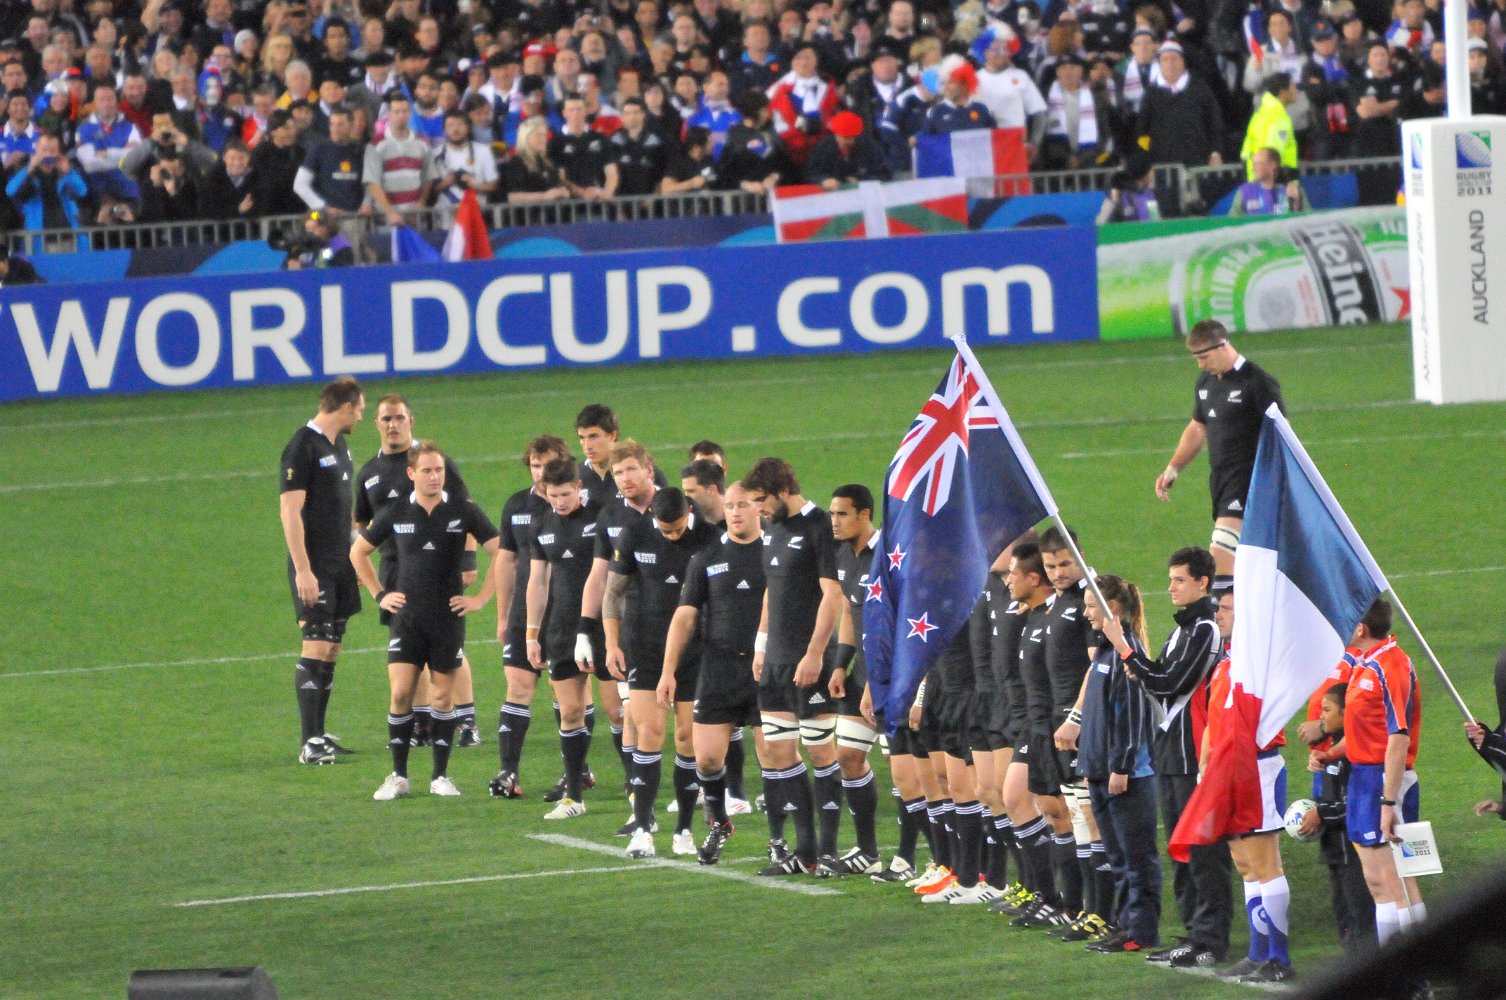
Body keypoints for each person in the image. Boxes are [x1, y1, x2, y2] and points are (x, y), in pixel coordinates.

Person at [352, 442, 501, 799]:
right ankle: (398, 776)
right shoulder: (396, 511)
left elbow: (502, 552)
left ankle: (440, 777)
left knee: (443, 696)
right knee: (400, 692)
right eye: (427, 470)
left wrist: (481, 598)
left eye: (439, 470)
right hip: (407, 618)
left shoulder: (463, 510)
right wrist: (379, 595)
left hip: (447, 619)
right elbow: (358, 551)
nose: (435, 477)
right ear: (412, 473)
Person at [1117, 546, 1230, 967]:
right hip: (1170, 751)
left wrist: (1127, 652)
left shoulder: (1205, 629)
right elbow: (1159, 677)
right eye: (1170, 580)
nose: (1171, 588)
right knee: (1181, 850)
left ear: (1203, 582)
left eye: (1180, 580)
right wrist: (1140, 668)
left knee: (1203, 851)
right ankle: (1193, 933)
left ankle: (1211, 939)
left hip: (1194, 754)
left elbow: (1169, 683)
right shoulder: (1182, 630)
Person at [354, 395, 481, 748]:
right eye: (386, 419)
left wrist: (468, 559)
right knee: (411, 648)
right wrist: (364, 564)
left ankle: (466, 720)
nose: (393, 424)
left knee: (448, 645)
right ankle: (422, 723)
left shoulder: (433, 462)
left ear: (411, 421)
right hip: (395, 569)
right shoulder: (369, 473)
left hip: (439, 565)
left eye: (399, 417)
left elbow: (466, 509)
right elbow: (361, 522)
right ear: (376, 424)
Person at [607, 486, 719, 858]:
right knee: (649, 733)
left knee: (687, 738)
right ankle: (642, 828)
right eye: (664, 529)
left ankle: (684, 829)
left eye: (677, 528)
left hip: (694, 650)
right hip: (644, 646)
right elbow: (613, 592)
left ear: (689, 512)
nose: (671, 535)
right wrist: (611, 644)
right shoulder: (634, 534)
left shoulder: (709, 538)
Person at [659, 480, 768, 865]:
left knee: (773, 757)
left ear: (760, 507)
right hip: (718, 669)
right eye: (730, 505)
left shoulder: (776, 553)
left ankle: (779, 840)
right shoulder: (707, 557)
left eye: (743, 504)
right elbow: (684, 617)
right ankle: (719, 822)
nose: (735, 512)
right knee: (705, 759)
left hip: (765, 670)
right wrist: (668, 671)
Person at [746, 457, 844, 875]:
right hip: (776, 659)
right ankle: (805, 852)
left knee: (820, 751)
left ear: (784, 490)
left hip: (810, 658)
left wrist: (816, 653)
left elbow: (833, 594)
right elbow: (772, 591)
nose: (758, 509)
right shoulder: (772, 528)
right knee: (779, 751)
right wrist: (761, 644)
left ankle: (828, 850)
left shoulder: (820, 526)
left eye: (762, 500)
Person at [1200, 587, 1296, 984]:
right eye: (1219, 608)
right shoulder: (1225, 663)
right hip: (1226, 770)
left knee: (1265, 864)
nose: (1218, 614)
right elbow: (1213, 721)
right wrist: (1206, 767)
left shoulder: (1260, 664)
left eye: (1227, 608)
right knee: (1245, 865)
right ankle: (1258, 953)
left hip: (1257, 767)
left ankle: (1280, 958)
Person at [1154, 320, 1286, 588]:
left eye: (1203, 357)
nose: (1200, 364)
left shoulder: (1257, 382)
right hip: (1221, 482)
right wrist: (1173, 468)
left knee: (1219, 559)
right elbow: (1197, 427)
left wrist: (1273, 481)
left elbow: (1283, 435)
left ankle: (1218, 614)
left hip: (1249, 482)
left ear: (1222, 346)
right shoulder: (1205, 383)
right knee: (1247, 565)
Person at [278, 376, 364, 765]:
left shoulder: (339, 445)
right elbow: (290, 511)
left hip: (340, 563)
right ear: (345, 407)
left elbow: (343, 507)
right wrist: (303, 570)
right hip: (314, 566)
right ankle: (308, 741)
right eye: (360, 410)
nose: (360, 417)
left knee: (331, 647)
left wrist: (356, 551)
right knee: (315, 643)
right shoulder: (303, 446)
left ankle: (320, 732)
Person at [1077, 575, 1161, 954]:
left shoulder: (1127, 653)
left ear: (1111, 607)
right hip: (1101, 772)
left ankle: (1139, 932)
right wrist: (1091, 765)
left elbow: (1132, 715)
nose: (1086, 613)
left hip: (1126, 776)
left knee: (1135, 858)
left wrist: (1121, 766)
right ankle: (1125, 925)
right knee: (1118, 857)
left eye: (1090, 606)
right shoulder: (1105, 653)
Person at [489, 435, 575, 799]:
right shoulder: (516, 505)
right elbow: (506, 560)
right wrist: (503, 614)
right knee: (518, 686)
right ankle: (509, 772)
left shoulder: (576, 506)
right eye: (536, 466)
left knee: (567, 693)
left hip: (565, 613)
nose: (541, 473)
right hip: (525, 613)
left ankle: (575, 770)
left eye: (549, 465)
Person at [1343, 599, 1427, 954]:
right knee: (1378, 883)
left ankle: (1419, 972)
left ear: (1361, 628)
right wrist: (1331, 752)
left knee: (1401, 883)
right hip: (1363, 778)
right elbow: (1367, 726)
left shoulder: (1392, 665)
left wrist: (1388, 801)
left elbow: (1399, 737)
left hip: (1388, 781)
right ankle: (1393, 970)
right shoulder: (1365, 662)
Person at [525, 457, 601, 820]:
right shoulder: (542, 525)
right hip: (561, 629)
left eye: (565, 494)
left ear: (579, 487)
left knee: (621, 714)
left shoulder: (600, 518)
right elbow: (538, 582)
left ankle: (637, 794)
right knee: (570, 712)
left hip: (602, 627)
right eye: (553, 495)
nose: (559, 502)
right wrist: (532, 633)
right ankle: (574, 797)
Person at [820, 483, 882, 877]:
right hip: (862, 673)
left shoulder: (888, 557)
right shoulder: (842, 553)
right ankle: (869, 851)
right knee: (848, 756)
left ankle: (908, 858)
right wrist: (841, 664)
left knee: (914, 775)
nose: (835, 521)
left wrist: (876, 681)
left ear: (864, 515)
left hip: (892, 677)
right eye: (832, 513)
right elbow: (849, 610)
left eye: (842, 514)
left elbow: (897, 624)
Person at [1302, 683, 1378, 953]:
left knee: (1361, 919)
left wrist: (1320, 813)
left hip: (1353, 853)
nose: (1321, 717)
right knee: (1344, 919)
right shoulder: (1333, 749)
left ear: (1346, 713)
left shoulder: (1353, 753)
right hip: (1336, 851)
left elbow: (1354, 805)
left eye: (1327, 710)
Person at [1135, 40, 1224, 168]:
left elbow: (1214, 122)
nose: (1170, 64)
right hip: (1162, 166)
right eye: (1165, 60)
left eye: (1174, 59)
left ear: (1183, 61)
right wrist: (1144, 159)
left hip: (1198, 162)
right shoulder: (1151, 93)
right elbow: (1142, 129)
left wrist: (1215, 153)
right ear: (1160, 64)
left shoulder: (1199, 88)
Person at [364, 93, 434, 225]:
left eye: (405, 111)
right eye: (397, 112)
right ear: (389, 114)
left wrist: (421, 202)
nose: (401, 115)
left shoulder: (423, 142)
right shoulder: (375, 144)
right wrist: (389, 212)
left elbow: (429, 176)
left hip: (415, 218)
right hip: (386, 220)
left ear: (410, 113)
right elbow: (372, 182)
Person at [6, 132, 85, 236]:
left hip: (67, 233)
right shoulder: (28, 171)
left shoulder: (66, 172)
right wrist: (29, 169)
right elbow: (10, 191)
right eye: (44, 150)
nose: (48, 154)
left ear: (58, 152)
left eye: (52, 150)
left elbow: (82, 191)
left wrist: (68, 172)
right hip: (38, 235)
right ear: (36, 149)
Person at [293, 105, 364, 213]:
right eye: (332, 124)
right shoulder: (318, 150)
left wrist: (366, 204)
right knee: (311, 219)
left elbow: (369, 184)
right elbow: (299, 184)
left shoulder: (360, 151)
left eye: (340, 125)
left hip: (353, 216)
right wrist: (323, 207)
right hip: (321, 215)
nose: (335, 129)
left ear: (351, 125)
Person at [549, 93, 616, 200]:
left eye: (579, 109)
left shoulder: (600, 138)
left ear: (586, 111)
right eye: (571, 110)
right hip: (570, 204)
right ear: (564, 113)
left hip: (599, 203)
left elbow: (611, 172)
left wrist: (607, 193)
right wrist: (582, 192)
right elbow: (560, 177)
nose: (575, 113)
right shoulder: (555, 142)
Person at [803, 109, 889, 187]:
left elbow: (884, 172)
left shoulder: (868, 146)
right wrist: (823, 180)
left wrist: (862, 179)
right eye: (846, 137)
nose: (850, 141)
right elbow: (810, 172)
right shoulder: (824, 147)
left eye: (853, 137)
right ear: (836, 134)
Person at [1239, 73, 1299, 180]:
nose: (1296, 91)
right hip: (1270, 181)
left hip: (1254, 178)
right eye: (1293, 87)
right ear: (1283, 93)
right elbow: (1272, 154)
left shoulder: (1261, 113)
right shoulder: (1278, 118)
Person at [1229, 147, 1307, 216]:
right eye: (1253, 164)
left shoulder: (1293, 190)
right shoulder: (1245, 191)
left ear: (1272, 165)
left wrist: (1296, 205)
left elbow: (1308, 221)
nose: (1253, 169)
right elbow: (1232, 223)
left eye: (1258, 164)